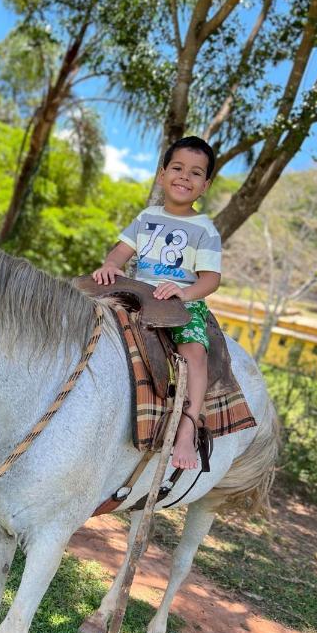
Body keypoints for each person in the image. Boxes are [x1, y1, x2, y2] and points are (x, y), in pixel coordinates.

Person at [92, 136, 221, 470]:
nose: (184, 177)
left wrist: (185, 293)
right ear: (162, 175)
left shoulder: (204, 229)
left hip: (180, 301)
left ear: (205, 185)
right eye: (177, 168)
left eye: (195, 173)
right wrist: (110, 265)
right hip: (139, 291)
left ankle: (188, 428)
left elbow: (210, 278)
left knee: (195, 352)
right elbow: (122, 251)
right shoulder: (146, 216)